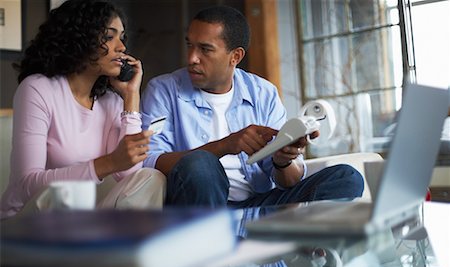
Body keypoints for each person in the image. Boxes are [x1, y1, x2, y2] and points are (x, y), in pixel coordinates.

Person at [141, 5, 363, 209]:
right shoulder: (164, 90)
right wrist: (225, 145)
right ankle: (235, 238)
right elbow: (149, 160)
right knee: (200, 165)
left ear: (235, 56)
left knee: (347, 177)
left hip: (259, 207)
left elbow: (290, 181)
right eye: (190, 45)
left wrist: (282, 161)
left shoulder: (263, 93)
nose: (192, 58)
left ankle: (248, 235)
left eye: (205, 49)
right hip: (201, 208)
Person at [0, 0, 165, 220]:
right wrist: (107, 163)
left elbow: (128, 175)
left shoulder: (110, 102)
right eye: (109, 36)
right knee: (59, 197)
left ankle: (117, 248)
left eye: (121, 37)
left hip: (86, 221)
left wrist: (131, 97)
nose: (122, 47)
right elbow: (27, 185)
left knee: (150, 178)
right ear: (79, 39)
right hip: (29, 220)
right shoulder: (37, 89)